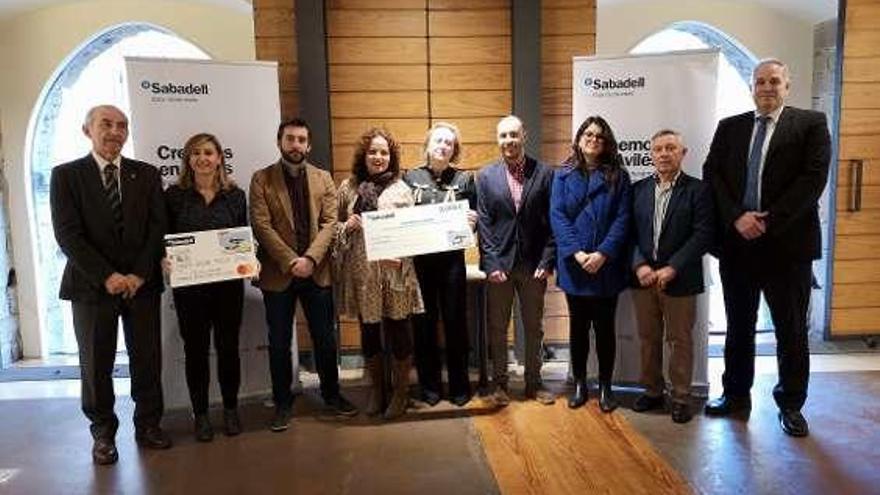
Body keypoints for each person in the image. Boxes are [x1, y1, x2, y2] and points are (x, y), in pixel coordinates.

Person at [702, 59, 831, 437]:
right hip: (738, 246)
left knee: (791, 330)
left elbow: (812, 180)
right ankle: (736, 395)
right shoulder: (731, 127)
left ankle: (791, 404)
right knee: (738, 326)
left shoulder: (810, 124)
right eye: (760, 82)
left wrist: (768, 221)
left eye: (775, 81)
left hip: (787, 248)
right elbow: (714, 175)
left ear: (787, 86)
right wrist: (737, 218)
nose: (767, 87)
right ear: (752, 87)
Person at [50, 105, 170, 465]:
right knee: (96, 363)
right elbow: (68, 235)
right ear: (87, 129)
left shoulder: (146, 174)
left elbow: (157, 228)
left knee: (147, 359)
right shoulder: (66, 176)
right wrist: (108, 276)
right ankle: (103, 433)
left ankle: (148, 425)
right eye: (106, 124)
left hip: (141, 286)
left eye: (121, 126)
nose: (115, 131)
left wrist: (138, 274)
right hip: (90, 289)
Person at [250, 118, 358, 432]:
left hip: (317, 271)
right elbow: (261, 226)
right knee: (280, 342)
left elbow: (329, 223)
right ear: (279, 141)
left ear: (308, 145)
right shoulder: (262, 179)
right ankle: (282, 402)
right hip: (278, 273)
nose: (295, 145)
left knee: (325, 339)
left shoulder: (324, 178)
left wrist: (310, 258)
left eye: (301, 140)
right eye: (290, 139)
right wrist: (290, 261)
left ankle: (332, 395)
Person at [335, 127, 424, 420]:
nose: (378, 156)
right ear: (364, 154)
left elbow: (415, 233)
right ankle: (378, 389)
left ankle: (401, 392)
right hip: (363, 275)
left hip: (395, 273)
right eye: (373, 151)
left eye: (384, 152)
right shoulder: (348, 187)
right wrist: (347, 226)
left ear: (391, 157)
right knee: (369, 331)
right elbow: (332, 229)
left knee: (399, 331)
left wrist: (403, 260)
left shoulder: (402, 189)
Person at [164, 133, 248, 441]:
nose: (202, 158)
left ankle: (230, 409)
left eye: (208, 152)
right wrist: (165, 260)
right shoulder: (174, 196)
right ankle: (200, 415)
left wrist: (250, 259)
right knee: (195, 351)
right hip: (190, 291)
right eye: (196, 153)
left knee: (228, 350)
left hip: (228, 288)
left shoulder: (235, 196)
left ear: (219, 158)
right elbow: (165, 239)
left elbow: (242, 238)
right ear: (187, 159)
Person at [630, 129, 713, 423]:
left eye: (670, 148)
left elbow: (703, 234)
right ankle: (652, 391)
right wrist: (640, 265)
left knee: (679, 340)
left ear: (683, 153)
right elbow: (628, 234)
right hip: (643, 280)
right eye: (658, 149)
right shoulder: (637, 190)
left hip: (680, 279)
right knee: (647, 338)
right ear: (651, 155)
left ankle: (680, 397)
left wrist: (673, 267)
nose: (664, 154)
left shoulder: (699, 190)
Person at [549, 116, 631, 412]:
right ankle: (581, 383)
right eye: (588, 134)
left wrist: (602, 253)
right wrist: (578, 253)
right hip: (575, 265)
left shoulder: (619, 176)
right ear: (580, 138)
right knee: (579, 328)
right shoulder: (562, 174)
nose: (593, 139)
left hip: (606, 266)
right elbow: (557, 216)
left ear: (606, 142)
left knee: (605, 329)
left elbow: (623, 219)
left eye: (599, 135)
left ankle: (606, 386)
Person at [477, 115, 556, 406]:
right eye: (503, 136)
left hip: (534, 265)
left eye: (513, 134)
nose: (508, 141)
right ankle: (500, 384)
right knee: (497, 326)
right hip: (500, 266)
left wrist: (547, 260)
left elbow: (553, 222)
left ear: (524, 135)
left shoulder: (545, 174)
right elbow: (484, 222)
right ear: (497, 140)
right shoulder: (485, 176)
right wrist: (492, 263)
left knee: (534, 327)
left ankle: (534, 384)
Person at [403, 122, 476, 407]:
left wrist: (473, 223)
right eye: (439, 141)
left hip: (452, 264)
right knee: (424, 324)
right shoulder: (410, 178)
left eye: (449, 143)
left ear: (454, 149)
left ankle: (459, 386)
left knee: (456, 323)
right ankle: (429, 386)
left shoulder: (465, 180)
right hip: (420, 264)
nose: (443, 146)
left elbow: (474, 221)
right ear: (428, 145)